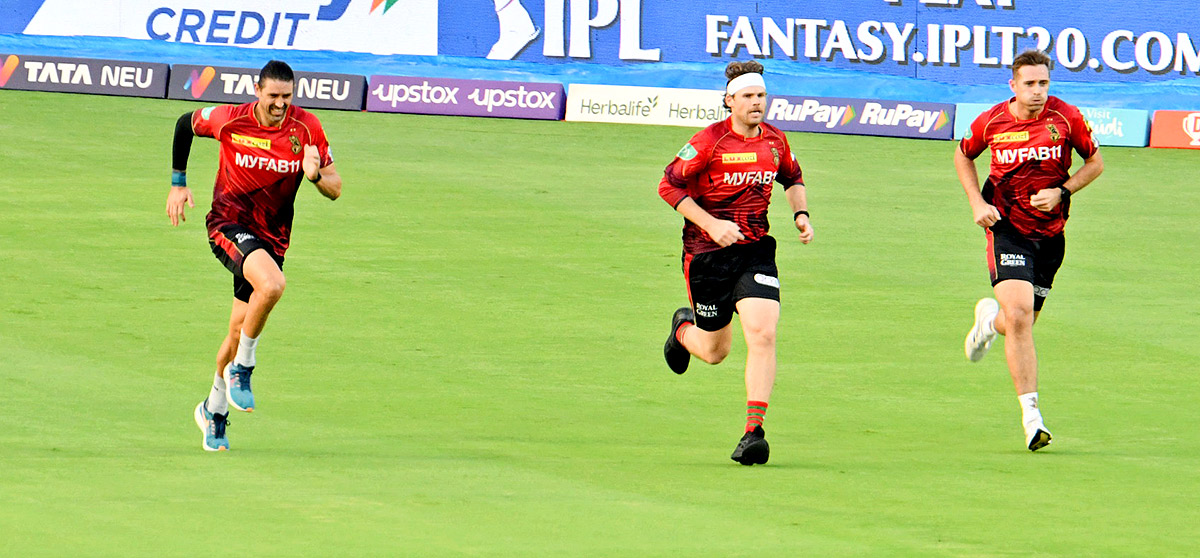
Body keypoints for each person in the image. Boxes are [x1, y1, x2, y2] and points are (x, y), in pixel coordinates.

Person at [166, 60, 343, 451]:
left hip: (272, 240)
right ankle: (243, 368)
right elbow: (184, 123)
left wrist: (314, 177)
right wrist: (178, 184)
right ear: (257, 90)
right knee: (273, 285)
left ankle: (212, 409)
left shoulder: (306, 128)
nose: (280, 104)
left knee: (236, 328)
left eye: (287, 96)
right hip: (228, 224)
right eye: (273, 96)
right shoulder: (231, 120)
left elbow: (336, 187)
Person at [658, 60, 814, 466]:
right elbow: (668, 185)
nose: (756, 103)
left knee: (762, 333)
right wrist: (711, 224)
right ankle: (682, 331)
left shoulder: (776, 141)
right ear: (729, 100)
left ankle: (753, 433)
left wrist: (801, 214)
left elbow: (793, 177)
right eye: (748, 97)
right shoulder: (708, 142)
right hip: (706, 256)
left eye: (761, 96)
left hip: (754, 250)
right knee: (714, 352)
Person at [956, 50, 1103, 452]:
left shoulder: (1065, 118)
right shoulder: (992, 121)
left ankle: (988, 323)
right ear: (1013, 86)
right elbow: (963, 154)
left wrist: (1063, 191)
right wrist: (976, 203)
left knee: (1017, 322)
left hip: (1051, 236)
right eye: (1029, 84)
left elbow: (1095, 162)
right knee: (1020, 316)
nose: (1037, 92)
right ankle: (1032, 418)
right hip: (1006, 228)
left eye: (1043, 84)